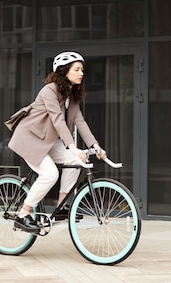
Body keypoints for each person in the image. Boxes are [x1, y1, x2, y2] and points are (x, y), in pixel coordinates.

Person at [8, 51, 106, 233]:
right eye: (77, 69)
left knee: (76, 162)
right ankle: (23, 215)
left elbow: (80, 122)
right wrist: (73, 146)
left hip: (48, 141)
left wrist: (95, 146)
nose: (81, 73)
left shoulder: (72, 95)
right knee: (50, 174)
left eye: (82, 69)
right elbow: (57, 120)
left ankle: (61, 207)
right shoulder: (49, 91)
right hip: (30, 139)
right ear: (64, 71)